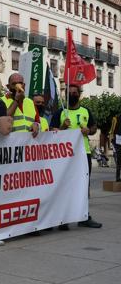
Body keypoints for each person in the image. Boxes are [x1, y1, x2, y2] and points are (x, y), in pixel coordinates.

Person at [51, 84, 102, 229]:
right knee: (64, 185)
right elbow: (51, 132)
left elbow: (93, 128)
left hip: (83, 153)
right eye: (70, 93)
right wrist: (62, 127)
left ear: (79, 94)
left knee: (84, 185)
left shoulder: (86, 111)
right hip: (65, 156)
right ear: (66, 95)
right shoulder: (60, 112)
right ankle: (64, 218)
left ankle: (83, 215)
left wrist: (89, 130)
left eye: (75, 92)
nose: (73, 95)